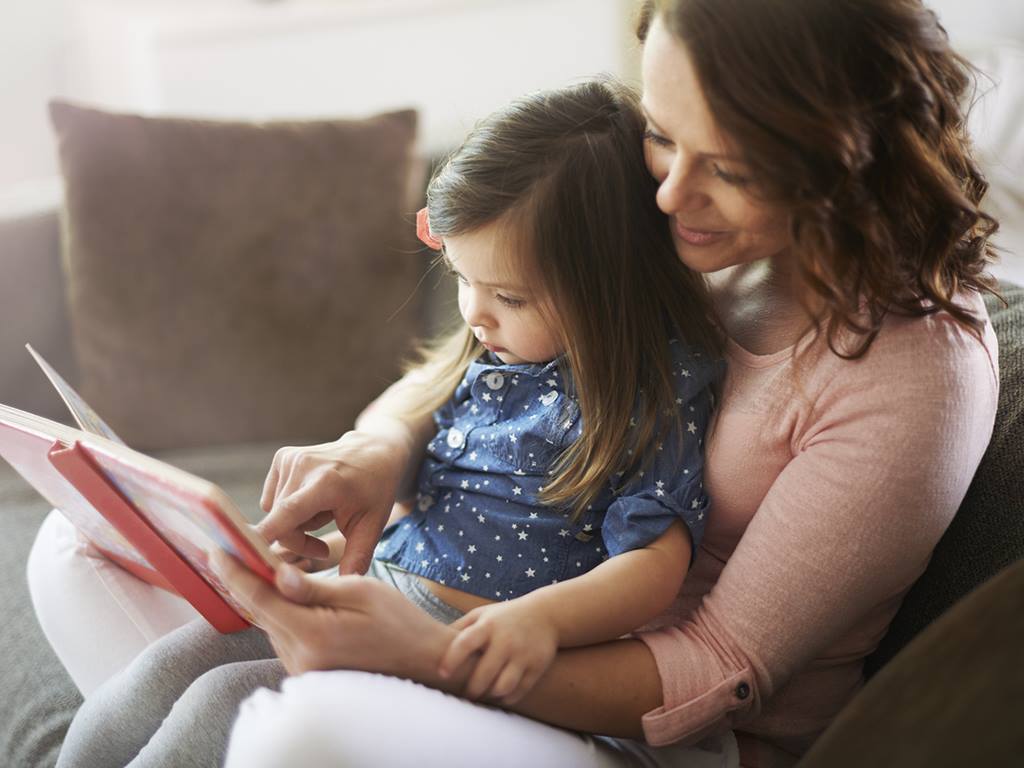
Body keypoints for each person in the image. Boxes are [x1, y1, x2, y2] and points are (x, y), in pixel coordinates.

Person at [29, 0, 1001, 766]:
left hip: (634, 725)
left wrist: (424, 659)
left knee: (276, 725)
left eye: (732, 169)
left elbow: (718, 665)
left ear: (845, 158)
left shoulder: (911, 371)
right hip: (453, 608)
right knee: (80, 552)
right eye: (663, 135)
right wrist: (378, 452)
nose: (668, 195)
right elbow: (471, 364)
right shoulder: (686, 234)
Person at [44, 79, 727, 768]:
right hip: (381, 596)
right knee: (175, 664)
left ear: (612, 285)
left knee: (224, 702)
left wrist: (537, 622)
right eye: (461, 278)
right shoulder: (496, 351)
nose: (475, 314)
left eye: (510, 296)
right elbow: (399, 446)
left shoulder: (658, 391)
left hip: (470, 647)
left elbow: (653, 567)